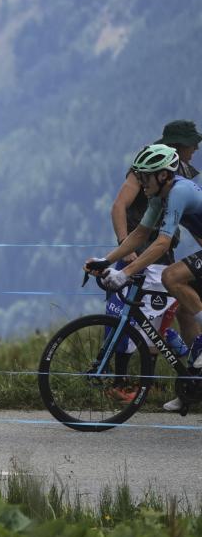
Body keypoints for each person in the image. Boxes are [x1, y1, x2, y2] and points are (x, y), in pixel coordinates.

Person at [87, 145, 202, 412]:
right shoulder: (159, 197)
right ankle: (192, 387)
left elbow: (162, 244)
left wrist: (125, 273)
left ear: (163, 175)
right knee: (185, 310)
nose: (140, 182)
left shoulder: (179, 192)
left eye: (145, 176)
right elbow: (139, 234)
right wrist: (106, 261)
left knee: (171, 276)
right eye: (139, 176)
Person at [109, 119, 201, 263]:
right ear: (178, 145)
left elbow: (191, 219)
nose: (196, 148)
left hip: (162, 248)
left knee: (169, 276)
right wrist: (124, 244)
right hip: (135, 248)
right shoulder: (147, 168)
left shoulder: (183, 173)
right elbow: (119, 206)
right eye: (192, 143)